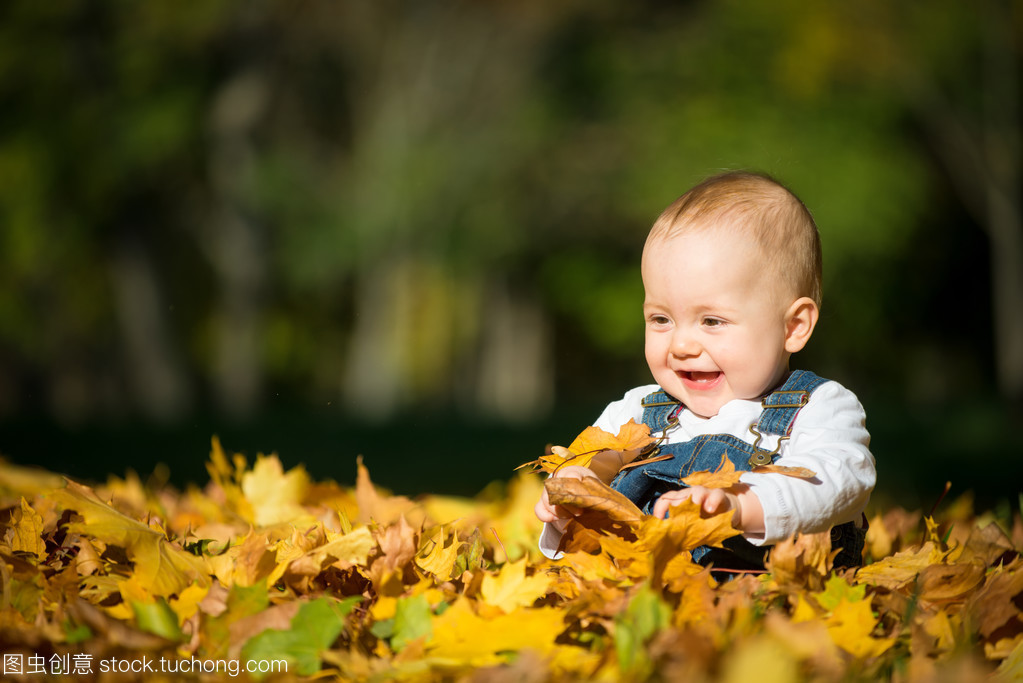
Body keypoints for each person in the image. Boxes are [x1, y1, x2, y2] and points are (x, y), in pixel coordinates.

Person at [534, 171, 876, 569]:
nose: (681, 345)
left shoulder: (820, 407)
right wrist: (580, 484)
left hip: (776, 608)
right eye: (661, 319)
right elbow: (596, 457)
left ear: (793, 327)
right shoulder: (640, 409)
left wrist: (744, 505)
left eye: (712, 321)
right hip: (647, 601)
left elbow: (840, 483)